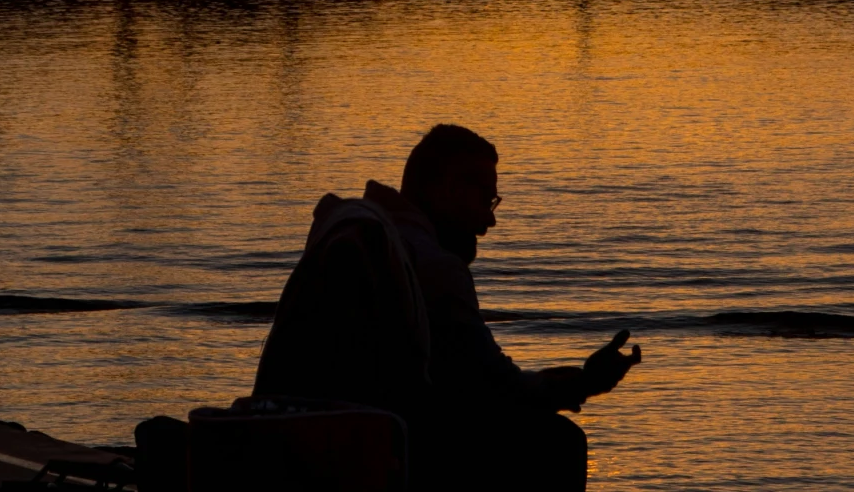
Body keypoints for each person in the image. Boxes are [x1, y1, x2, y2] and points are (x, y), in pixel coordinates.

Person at [256, 125, 641, 492]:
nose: (489, 220)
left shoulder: (364, 231)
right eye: (485, 200)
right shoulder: (431, 264)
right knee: (559, 441)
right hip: (374, 446)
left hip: (299, 432)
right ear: (449, 189)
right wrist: (588, 382)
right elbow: (499, 387)